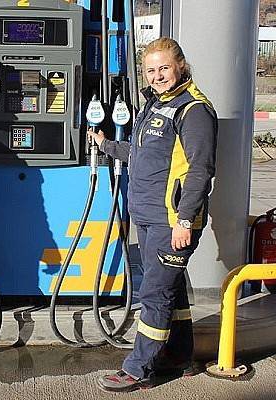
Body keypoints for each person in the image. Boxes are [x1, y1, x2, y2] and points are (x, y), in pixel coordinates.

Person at [90, 37, 218, 392]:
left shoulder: (193, 110)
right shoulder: (155, 105)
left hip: (171, 221)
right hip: (147, 217)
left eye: (164, 68)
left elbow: (199, 171)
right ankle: (179, 355)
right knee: (169, 289)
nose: (158, 75)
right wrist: (106, 146)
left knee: (154, 294)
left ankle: (138, 369)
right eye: (151, 70)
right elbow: (141, 153)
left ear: (180, 66)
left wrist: (184, 220)